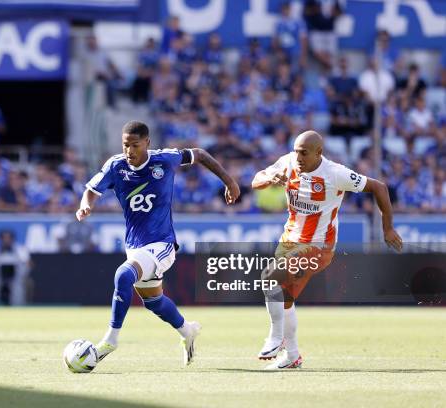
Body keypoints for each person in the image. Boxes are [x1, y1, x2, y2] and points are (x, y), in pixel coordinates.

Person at [77, 120, 240, 365]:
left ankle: (110, 340)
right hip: (135, 245)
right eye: (125, 145)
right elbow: (91, 189)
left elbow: (200, 154)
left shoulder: (164, 160)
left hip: (162, 244)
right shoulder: (116, 165)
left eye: (135, 145)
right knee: (153, 302)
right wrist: (85, 204)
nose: (129, 151)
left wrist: (229, 181)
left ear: (147, 143)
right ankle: (187, 331)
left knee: (123, 276)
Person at [251, 130, 402, 369]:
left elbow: (379, 187)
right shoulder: (288, 162)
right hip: (289, 240)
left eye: (304, 153)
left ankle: (275, 337)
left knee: (269, 277)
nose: (298, 157)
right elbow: (256, 180)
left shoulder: (335, 173)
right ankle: (292, 356)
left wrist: (388, 228)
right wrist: (269, 179)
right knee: (285, 298)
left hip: (318, 246)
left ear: (318, 153)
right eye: (297, 151)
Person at [0, 229, 30, 305]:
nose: (6, 240)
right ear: (0, 239)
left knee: (18, 285)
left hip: (15, 276)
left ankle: (18, 306)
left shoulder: (20, 249)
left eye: (8, 238)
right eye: (4, 238)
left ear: (12, 239)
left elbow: (28, 264)